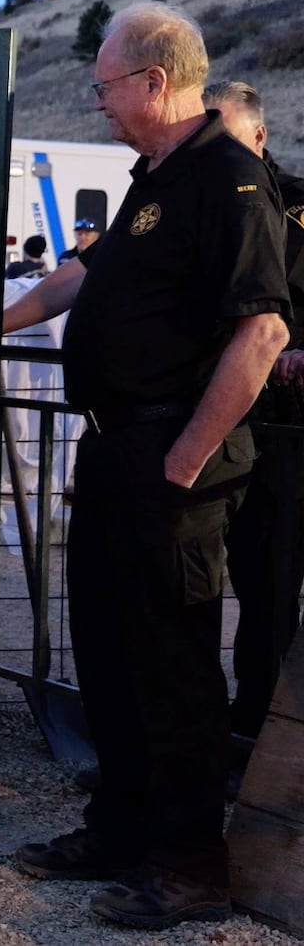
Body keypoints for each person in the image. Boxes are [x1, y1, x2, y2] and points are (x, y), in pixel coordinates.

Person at [4, 4, 289, 930]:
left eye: (105, 84)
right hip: (116, 447)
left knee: (173, 668)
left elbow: (263, 333)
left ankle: (190, 861)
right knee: (111, 654)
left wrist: (184, 458)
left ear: (154, 83)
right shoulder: (155, 175)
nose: (98, 101)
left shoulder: (229, 178)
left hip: (174, 459)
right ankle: (120, 826)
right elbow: (90, 280)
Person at [203, 80, 304, 763]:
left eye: (225, 136)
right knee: (226, 580)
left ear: (260, 138)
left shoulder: (297, 206)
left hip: (289, 425)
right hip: (225, 421)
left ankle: (267, 731)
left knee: (274, 577)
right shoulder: (191, 201)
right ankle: (228, 726)